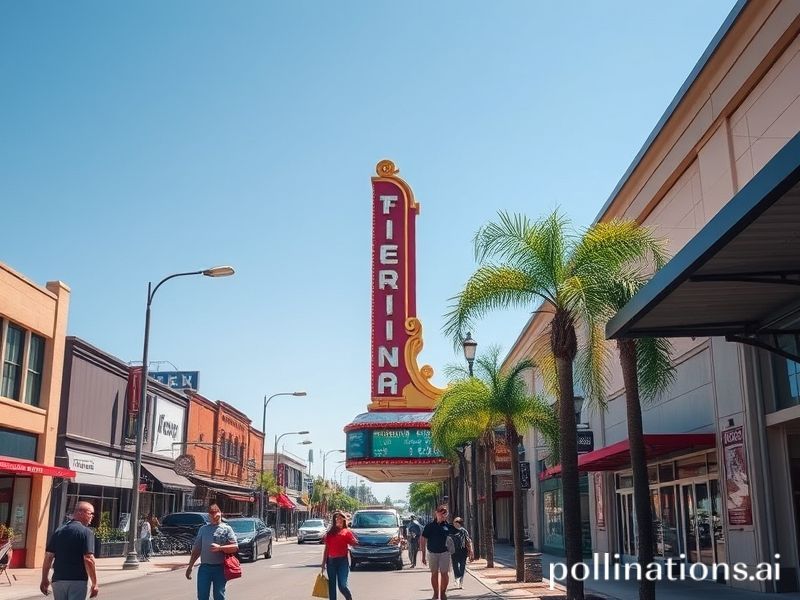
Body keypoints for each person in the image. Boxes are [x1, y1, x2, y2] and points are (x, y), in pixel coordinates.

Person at [40, 501, 99, 599]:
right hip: (77, 581)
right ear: (80, 512)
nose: (92, 516)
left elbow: (48, 557)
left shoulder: (59, 531)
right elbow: (88, 558)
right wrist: (94, 583)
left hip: (58, 580)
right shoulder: (86, 532)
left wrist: (44, 578)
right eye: (90, 513)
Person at [185, 504, 238, 600]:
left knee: (219, 595)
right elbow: (197, 549)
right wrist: (190, 566)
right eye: (211, 516)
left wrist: (220, 548)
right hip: (205, 568)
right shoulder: (203, 529)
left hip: (220, 568)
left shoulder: (226, 529)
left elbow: (235, 547)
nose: (213, 518)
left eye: (215, 515)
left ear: (220, 514)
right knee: (202, 596)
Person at [321, 511, 358, 600]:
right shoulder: (330, 534)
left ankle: (349, 598)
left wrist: (354, 542)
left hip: (342, 561)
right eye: (336, 518)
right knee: (332, 586)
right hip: (331, 562)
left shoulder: (347, 532)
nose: (338, 520)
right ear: (334, 520)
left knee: (342, 585)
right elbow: (327, 549)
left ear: (344, 520)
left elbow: (354, 543)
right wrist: (323, 564)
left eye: (340, 518)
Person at [421, 505, 453, 600]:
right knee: (434, 573)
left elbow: (454, 539)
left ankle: (443, 593)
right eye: (441, 512)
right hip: (432, 553)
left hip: (445, 553)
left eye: (445, 513)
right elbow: (423, 540)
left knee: (444, 573)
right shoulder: (429, 526)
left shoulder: (448, 526)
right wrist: (423, 555)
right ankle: (435, 593)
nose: (443, 515)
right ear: (436, 513)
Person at [449, 517, 473, 589]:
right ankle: (457, 578)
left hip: (463, 551)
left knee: (462, 566)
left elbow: (468, 541)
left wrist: (471, 550)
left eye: (457, 522)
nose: (455, 523)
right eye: (454, 522)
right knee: (455, 567)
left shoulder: (464, 531)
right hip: (454, 551)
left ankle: (461, 582)